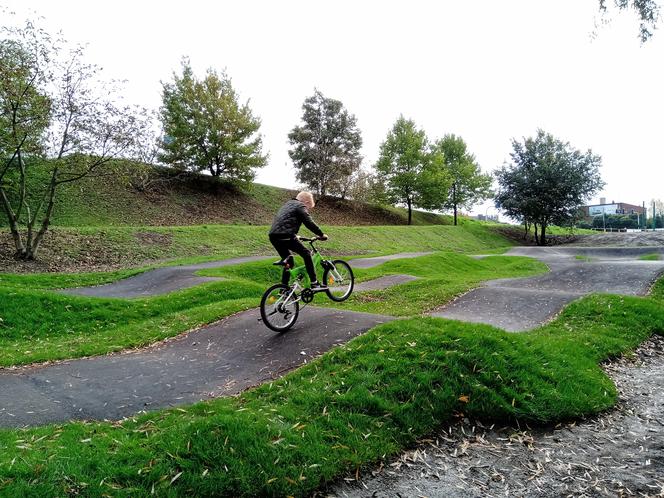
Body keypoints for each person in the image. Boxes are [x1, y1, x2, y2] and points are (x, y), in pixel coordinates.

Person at [269, 191, 328, 289]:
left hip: (274, 236)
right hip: (286, 235)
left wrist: (295, 235)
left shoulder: (287, 205)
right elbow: (308, 222)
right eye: (308, 208)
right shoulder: (300, 205)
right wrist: (321, 234)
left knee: (289, 261)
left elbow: (285, 222)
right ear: (306, 202)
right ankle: (314, 283)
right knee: (306, 254)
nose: (307, 210)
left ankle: (284, 289)